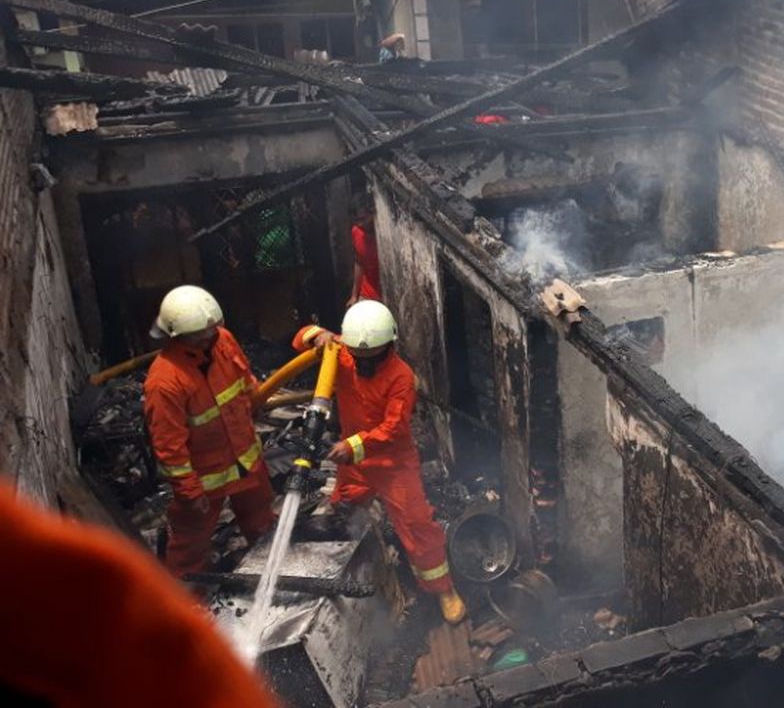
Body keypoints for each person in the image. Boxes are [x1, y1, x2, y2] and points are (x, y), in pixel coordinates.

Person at [0, 482, 279, 707]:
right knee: (189, 552)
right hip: (204, 484)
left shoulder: (41, 567)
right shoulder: (50, 577)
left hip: (239, 473)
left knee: (256, 522)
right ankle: (190, 596)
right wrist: (190, 490)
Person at [293, 300, 466, 624]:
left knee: (417, 526)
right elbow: (299, 337)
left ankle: (441, 588)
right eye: (360, 358)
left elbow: (394, 428)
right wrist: (316, 334)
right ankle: (360, 584)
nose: (364, 364)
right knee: (342, 518)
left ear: (389, 344)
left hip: (393, 465)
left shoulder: (400, 376)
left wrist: (353, 445)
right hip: (355, 465)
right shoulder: (342, 354)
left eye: (372, 357)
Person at [143, 285, 276, 577]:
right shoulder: (164, 381)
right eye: (198, 336)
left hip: (246, 459)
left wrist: (255, 398)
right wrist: (189, 491)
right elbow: (169, 446)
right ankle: (189, 604)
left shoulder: (223, 340)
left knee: (263, 524)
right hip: (204, 479)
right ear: (174, 335)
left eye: (210, 331)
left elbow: (244, 378)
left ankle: (276, 577)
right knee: (190, 546)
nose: (207, 338)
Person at [348, 191, 382, 306]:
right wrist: (354, 295)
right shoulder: (356, 231)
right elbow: (359, 262)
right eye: (356, 220)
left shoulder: (382, 235)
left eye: (363, 218)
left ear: (372, 213)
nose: (360, 224)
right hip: (367, 294)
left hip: (384, 295)